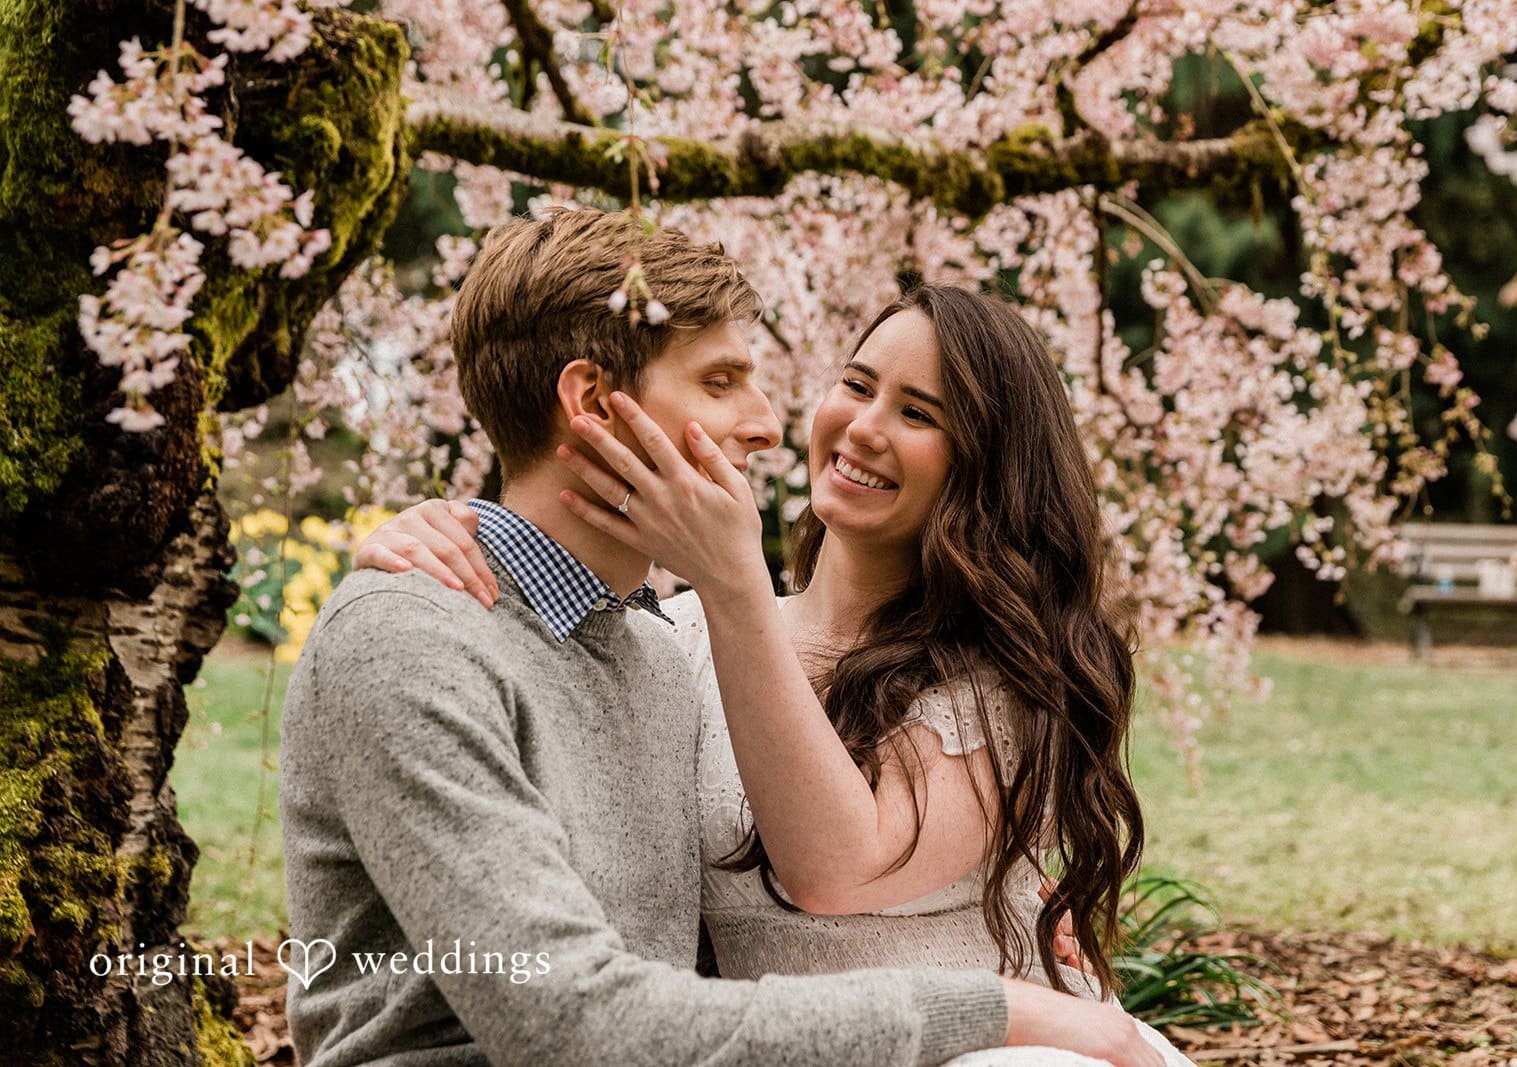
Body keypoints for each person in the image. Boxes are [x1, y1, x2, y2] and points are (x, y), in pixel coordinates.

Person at [281, 205, 1168, 1066]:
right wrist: (989, 1008)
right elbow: (577, 1020)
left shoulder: (650, 656)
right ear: (591, 399)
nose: (772, 424)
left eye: (919, 412)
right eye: (719, 381)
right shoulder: (429, 637)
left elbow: (707, 941)